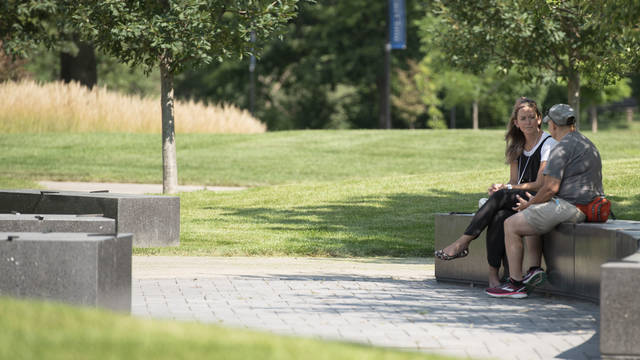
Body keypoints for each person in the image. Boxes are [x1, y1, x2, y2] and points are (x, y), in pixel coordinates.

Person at [435, 97, 558, 288]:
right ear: (516, 123)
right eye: (523, 118)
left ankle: (462, 243)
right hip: (521, 197)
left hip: (539, 197)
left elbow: (540, 183)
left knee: (500, 198)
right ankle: (493, 276)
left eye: (532, 117)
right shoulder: (516, 146)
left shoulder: (548, 143)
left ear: (539, 119)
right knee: (498, 215)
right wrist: (503, 186)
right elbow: (514, 182)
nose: (528, 122)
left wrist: (507, 190)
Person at [486, 103, 604, 299]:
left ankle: (515, 284)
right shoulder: (585, 142)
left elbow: (550, 188)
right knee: (530, 214)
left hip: (571, 206)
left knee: (511, 224)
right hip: (588, 205)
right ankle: (533, 269)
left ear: (554, 126)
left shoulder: (562, 148)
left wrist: (529, 204)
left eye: (549, 124)